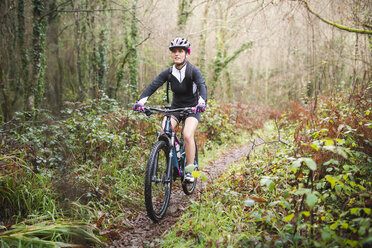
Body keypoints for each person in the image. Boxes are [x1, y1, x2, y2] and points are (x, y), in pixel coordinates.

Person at [133, 37, 207, 182]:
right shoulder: (168, 72)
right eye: (174, 51)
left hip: (192, 109)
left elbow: (202, 86)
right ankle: (172, 165)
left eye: (180, 51)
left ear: (187, 53)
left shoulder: (193, 71)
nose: (177, 54)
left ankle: (191, 171)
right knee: (164, 133)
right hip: (175, 109)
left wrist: (201, 102)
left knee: (186, 135)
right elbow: (153, 86)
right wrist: (141, 101)